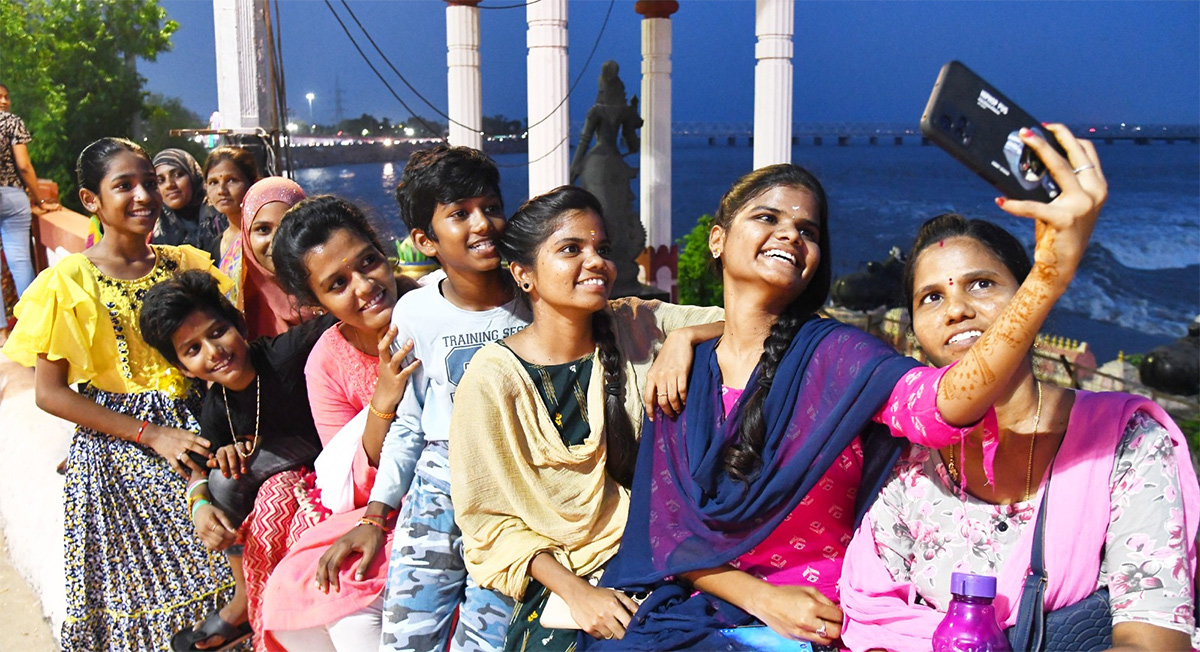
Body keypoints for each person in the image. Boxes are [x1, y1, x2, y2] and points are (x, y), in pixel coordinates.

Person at [584, 124, 1106, 650]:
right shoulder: (685, 373)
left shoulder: (839, 358)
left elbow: (942, 406)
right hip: (704, 606)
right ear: (717, 239)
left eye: (807, 230)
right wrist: (756, 596)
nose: (790, 234)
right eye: (767, 217)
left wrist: (1048, 274)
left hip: (818, 620)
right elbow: (668, 533)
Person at [838, 220, 1199, 646]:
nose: (957, 310)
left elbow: (1152, 637)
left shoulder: (1124, 440)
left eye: (982, 284)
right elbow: (872, 615)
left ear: (1029, 301)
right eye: (932, 297)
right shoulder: (909, 456)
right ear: (914, 328)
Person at [450, 185, 724, 651]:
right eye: (571, 249)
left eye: (601, 249)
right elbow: (488, 522)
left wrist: (685, 339)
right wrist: (577, 593)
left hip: (659, 557)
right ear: (523, 274)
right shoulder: (493, 376)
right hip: (562, 583)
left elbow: (751, 324)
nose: (596, 261)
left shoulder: (639, 324)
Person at [0, 137, 234, 650]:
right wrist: (154, 436)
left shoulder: (185, 263)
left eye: (149, 182)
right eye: (124, 185)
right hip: (124, 441)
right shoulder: (70, 281)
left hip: (201, 424)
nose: (144, 195)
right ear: (91, 202)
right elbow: (51, 394)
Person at [311, 145, 526, 651]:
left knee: (489, 639)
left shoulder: (534, 301)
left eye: (491, 207)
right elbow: (409, 422)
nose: (483, 224)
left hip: (512, 492)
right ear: (424, 240)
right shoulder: (416, 314)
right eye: (460, 214)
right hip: (438, 488)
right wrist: (376, 515)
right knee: (408, 635)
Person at [140, 270, 337, 651]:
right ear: (182, 368)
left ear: (238, 325)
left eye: (217, 333)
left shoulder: (286, 354)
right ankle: (244, 598)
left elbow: (348, 311)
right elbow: (200, 464)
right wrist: (199, 505)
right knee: (222, 479)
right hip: (293, 467)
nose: (214, 352)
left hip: (338, 451)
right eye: (193, 349)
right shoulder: (218, 407)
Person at [259, 195, 419, 650]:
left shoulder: (436, 313)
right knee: (302, 598)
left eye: (368, 261)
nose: (365, 285)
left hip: (448, 493)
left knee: (351, 616)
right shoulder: (327, 363)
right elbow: (349, 484)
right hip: (377, 507)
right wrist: (384, 401)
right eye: (338, 283)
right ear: (315, 301)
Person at [0, 82, 57, 309]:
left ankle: (2, 334)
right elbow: (24, 166)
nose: (4, 101)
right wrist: (40, 200)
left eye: (6, 96)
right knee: (21, 262)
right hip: (12, 195)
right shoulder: (12, 121)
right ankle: (33, 325)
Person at [239, 176, 314, 339]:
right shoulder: (237, 311)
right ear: (246, 236)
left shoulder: (336, 290)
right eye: (263, 229)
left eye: (288, 226)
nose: (275, 241)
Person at [205, 145, 260, 310]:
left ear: (252, 184)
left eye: (231, 180)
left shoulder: (263, 236)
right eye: (213, 182)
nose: (221, 190)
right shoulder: (216, 245)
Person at [153, 148, 223, 249]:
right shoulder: (151, 230)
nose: (169, 185)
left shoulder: (221, 218)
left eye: (177, 175)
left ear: (193, 176)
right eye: (160, 180)